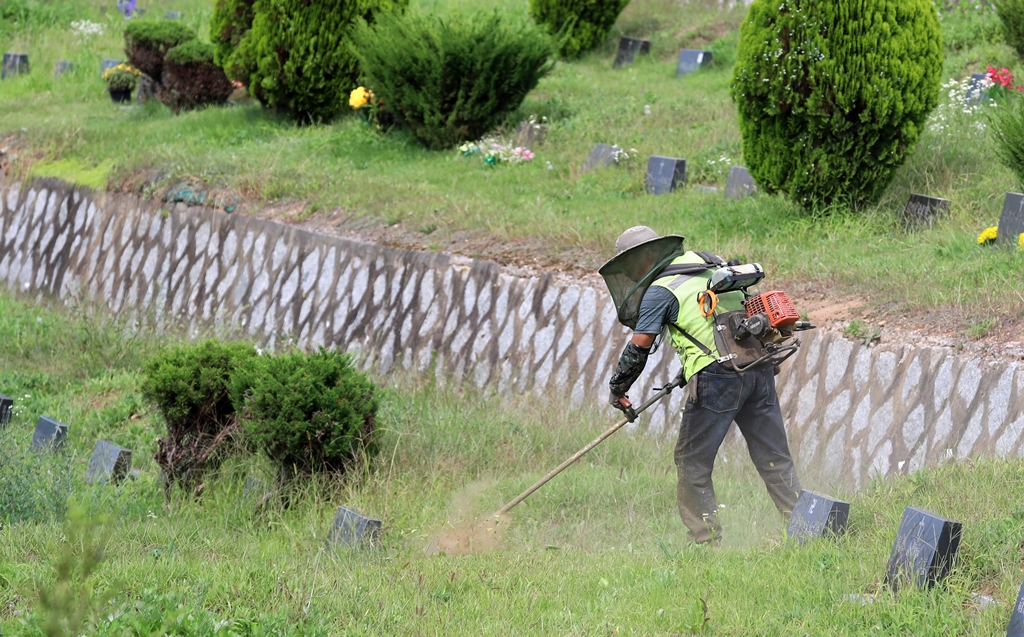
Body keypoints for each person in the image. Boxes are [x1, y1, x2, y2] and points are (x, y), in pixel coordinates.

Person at [603, 226, 802, 545]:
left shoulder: (661, 289)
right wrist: (687, 370)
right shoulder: (711, 264)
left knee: (692, 460)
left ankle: (705, 543)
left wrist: (618, 389)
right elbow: (718, 323)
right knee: (774, 455)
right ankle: (805, 527)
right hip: (758, 368)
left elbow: (639, 348)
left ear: (640, 261)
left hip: (718, 380)